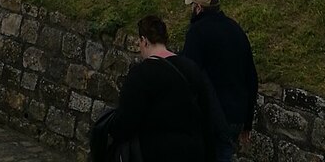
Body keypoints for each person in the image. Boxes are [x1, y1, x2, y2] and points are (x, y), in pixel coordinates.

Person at [93, 14, 227, 162]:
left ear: (144, 41)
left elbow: (125, 122)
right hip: (192, 152)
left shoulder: (141, 74)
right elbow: (206, 117)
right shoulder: (191, 68)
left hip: (155, 152)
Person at [181, 0, 258, 162]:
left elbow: (189, 73)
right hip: (236, 115)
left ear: (198, 8)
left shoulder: (197, 32)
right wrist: (247, 122)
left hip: (211, 115)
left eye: (192, 6)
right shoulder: (236, 30)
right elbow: (251, 77)